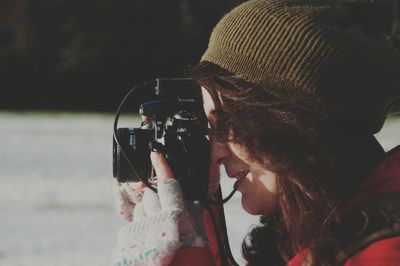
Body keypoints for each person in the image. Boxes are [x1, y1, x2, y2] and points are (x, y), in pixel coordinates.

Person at [111, 0, 400, 265]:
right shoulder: (336, 236)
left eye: (224, 124)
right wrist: (195, 227)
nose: (216, 152)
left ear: (291, 121)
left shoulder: (384, 251)